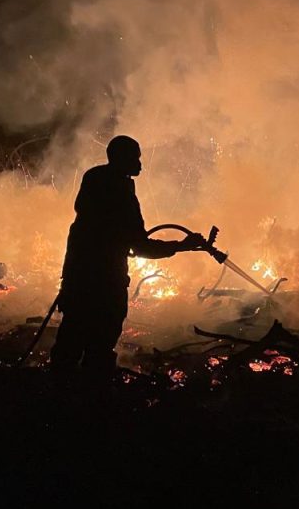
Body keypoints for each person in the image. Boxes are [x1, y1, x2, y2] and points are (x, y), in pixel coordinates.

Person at [50, 135, 205, 374]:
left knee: (69, 345)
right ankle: (93, 399)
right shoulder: (120, 192)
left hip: (76, 281)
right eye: (136, 158)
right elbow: (141, 247)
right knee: (99, 349)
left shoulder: (93, 182)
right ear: (122, 159)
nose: (141, 163)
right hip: (105, 285)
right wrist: (182, 245)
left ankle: (58, 393)